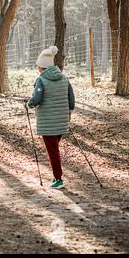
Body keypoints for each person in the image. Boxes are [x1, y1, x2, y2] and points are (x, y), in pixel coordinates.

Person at [27, 46, 75, 190]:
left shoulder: (41, 80)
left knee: (53, 150)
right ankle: (57, 176)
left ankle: (58, 179)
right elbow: (71, 98)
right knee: (55, 148)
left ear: (42, 66)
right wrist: (69, 111)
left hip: (48, 122)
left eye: (38, 66)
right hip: (61, 121)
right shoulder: (64, 78)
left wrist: (29, 103)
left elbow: (36, 99)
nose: (37, 68)